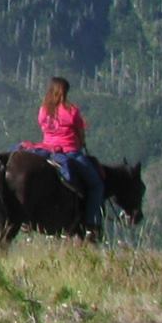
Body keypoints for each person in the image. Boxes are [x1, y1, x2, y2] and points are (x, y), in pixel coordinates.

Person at [35, 75, 104, 235]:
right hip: (69, 151)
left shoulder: (43, 110)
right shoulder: (72, 111)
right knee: (96, 184)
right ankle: (90, 222)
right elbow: (80, 133)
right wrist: (81, 143)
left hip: (47, 149)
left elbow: (44, 128)